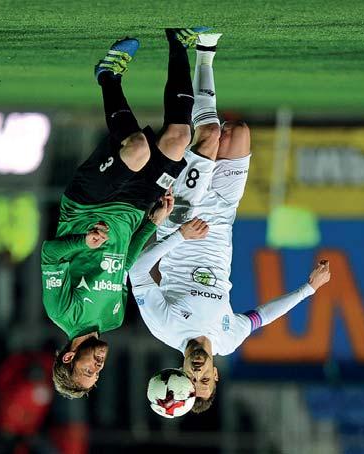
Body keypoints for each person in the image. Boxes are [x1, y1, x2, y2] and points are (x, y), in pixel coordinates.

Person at [129, 33, 332, 414]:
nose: (198, 374)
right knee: (237, 132)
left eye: (192, 380)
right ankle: (200, 68)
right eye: (205, 381)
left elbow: (136, 272)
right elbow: (263, 316)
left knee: (208, 135)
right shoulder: (229, 338)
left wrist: (177, 236)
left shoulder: (165, 328)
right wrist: (308, 289)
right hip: (222, 216)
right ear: (216, 376)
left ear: (179, 375)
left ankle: (203, 52)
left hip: (182, 217)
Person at [41, 28, 208, 399]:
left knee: (136, 149)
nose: (98, 367)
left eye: (87, 369)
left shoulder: (61, 312)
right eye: (96, 375)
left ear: (69, 355)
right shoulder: (114, 319)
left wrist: (82, 240)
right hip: (133, 210)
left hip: (88, 204)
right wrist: (152, 223)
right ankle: (179, 42)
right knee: (179, 139)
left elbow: (49, 254)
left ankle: (108, 76)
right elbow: (125, 264)